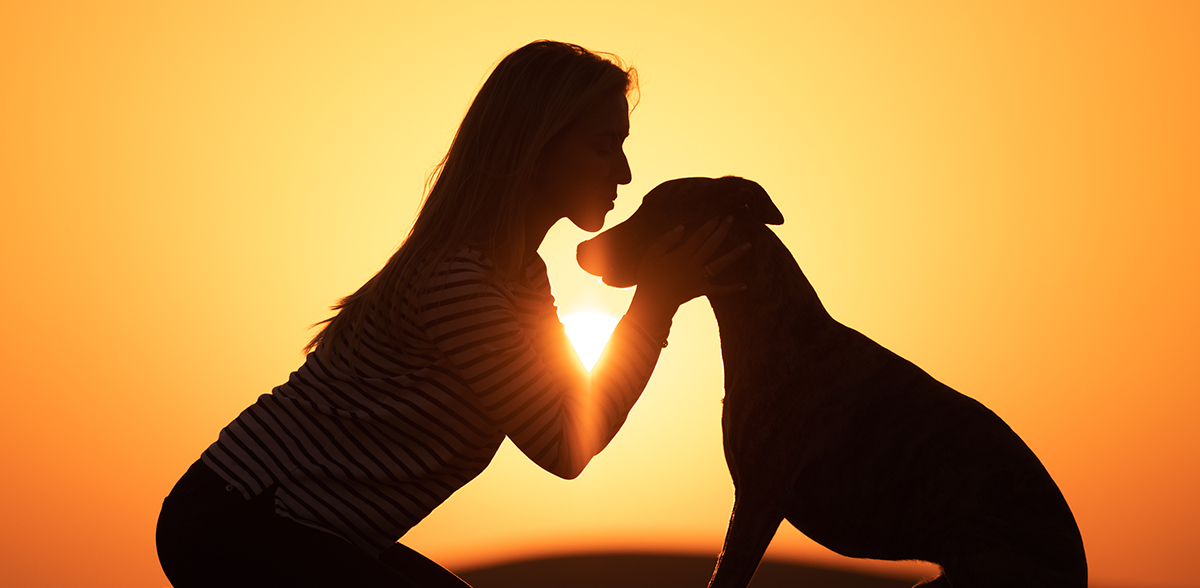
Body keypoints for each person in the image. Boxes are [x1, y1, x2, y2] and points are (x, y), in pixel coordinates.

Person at [156, 39, 749, 587]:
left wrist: (656, 302)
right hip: (242, 518)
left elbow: (574, 416)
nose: (621, 171)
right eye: (602, 146)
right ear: (536, 149)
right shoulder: (460, 282)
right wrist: (656, 302)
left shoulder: (519, 277)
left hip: (300, 525)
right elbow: (566, 446)